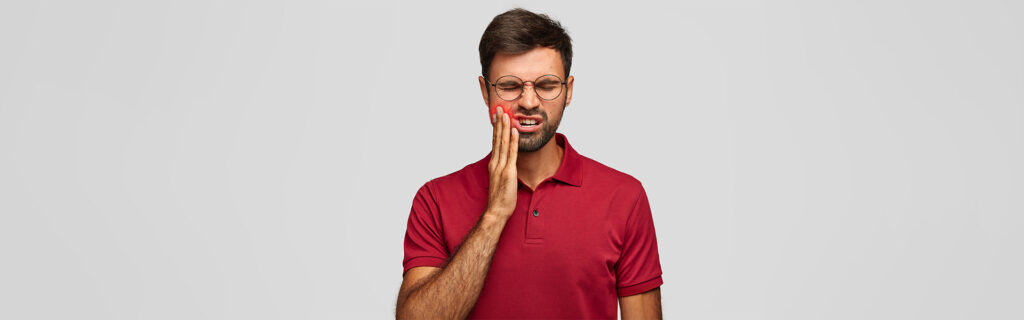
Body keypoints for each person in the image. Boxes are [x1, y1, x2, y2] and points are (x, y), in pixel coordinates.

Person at [395, 8, 663, 319]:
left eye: (546, 85)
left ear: (568, 91)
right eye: (510, 86)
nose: (529, 101)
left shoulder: (625, 197)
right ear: (485, 92)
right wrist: (494, 215)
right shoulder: (435, 199)